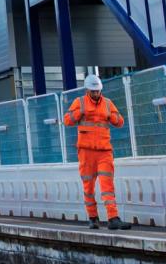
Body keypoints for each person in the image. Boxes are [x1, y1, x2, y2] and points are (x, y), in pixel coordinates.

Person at [63, 72, 129, 230]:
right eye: (93, 91)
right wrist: (80, 113)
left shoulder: (107, 103)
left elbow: (120, 122)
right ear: (87, 90)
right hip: (86, 152)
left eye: (98, 91)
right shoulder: (79, 102)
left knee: (107, 186)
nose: (96, 94)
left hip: (104, 151)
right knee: (89, 187)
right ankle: (93, 218)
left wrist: (112, 117)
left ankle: (113, 218)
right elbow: (67, 120)